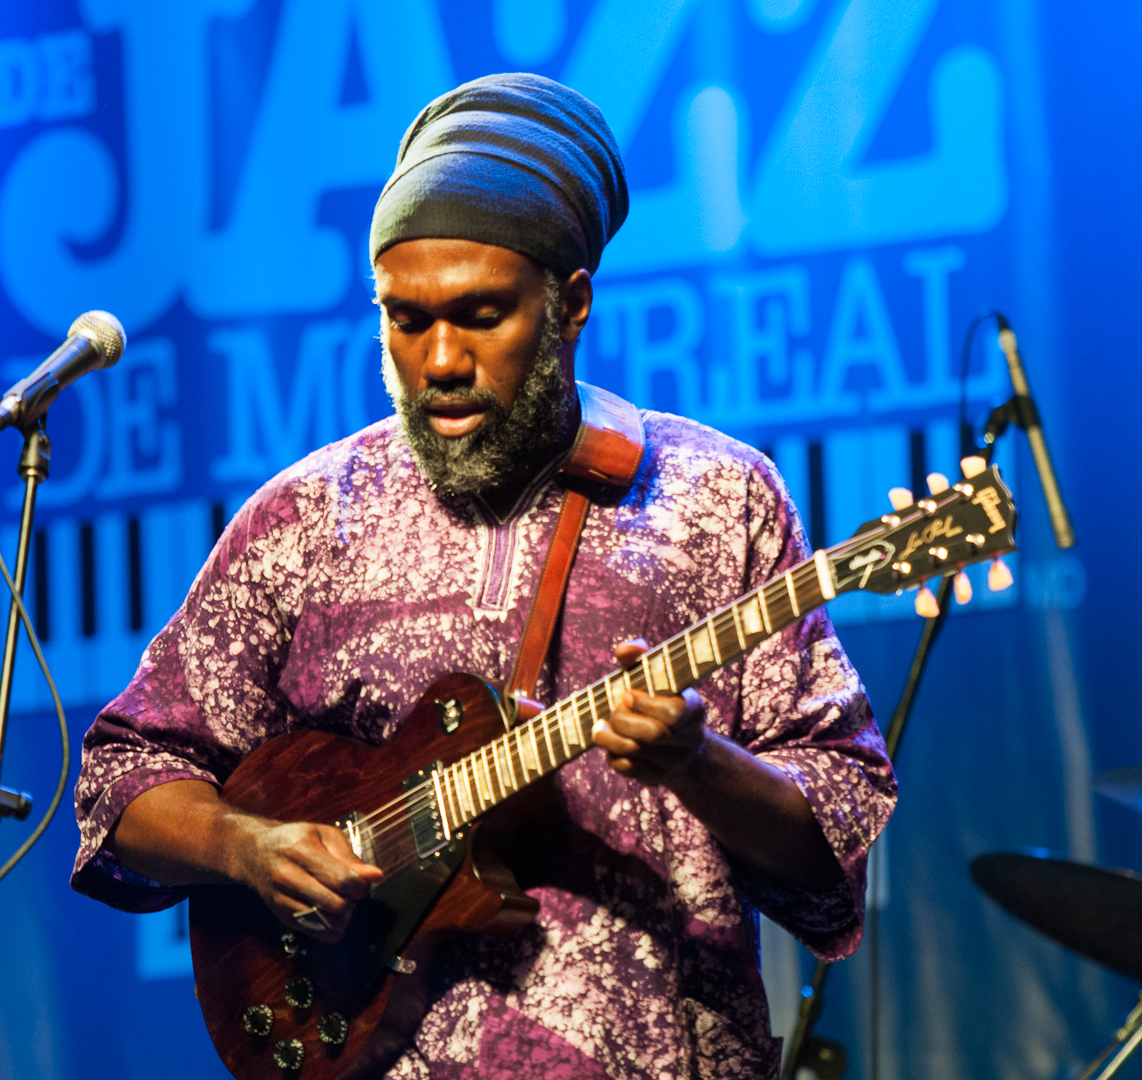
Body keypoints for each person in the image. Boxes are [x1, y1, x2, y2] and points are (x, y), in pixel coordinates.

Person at [72, 73, 895, 1079]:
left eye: (480, 315)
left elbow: (830, 839)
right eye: (405, 321)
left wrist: (698, 763)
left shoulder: (720, 501)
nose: (441, 358)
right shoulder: (302, 518)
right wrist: (251, 850)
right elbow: (125, 778)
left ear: (573, 303)